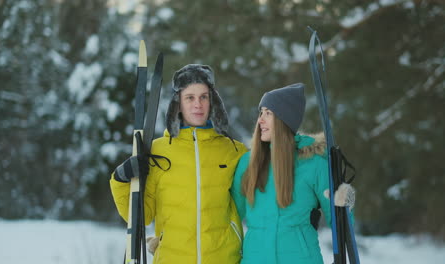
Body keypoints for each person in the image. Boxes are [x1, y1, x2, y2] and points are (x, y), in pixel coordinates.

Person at [110, 64, 247, 264]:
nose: (197, 104)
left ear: (213, 101)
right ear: (178, 103)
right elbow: (142, 216)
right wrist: (121, 179)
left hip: (223, 258)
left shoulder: (234, 151)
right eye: (189, 97)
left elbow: (264, 191)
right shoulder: (157, 151)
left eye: (204, 97)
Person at [231, 83, 355, 264]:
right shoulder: (248, 163)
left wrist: (344, 206)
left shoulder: (313, 164)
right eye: (261, 112)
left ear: (284, 119)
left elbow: (339, 222)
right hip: (255, 259)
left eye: (268, 113)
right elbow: (232, 216)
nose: (260, 120)